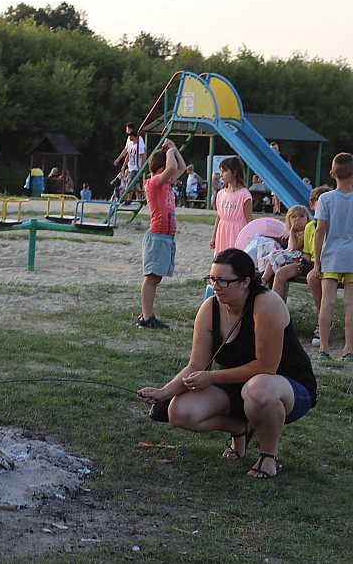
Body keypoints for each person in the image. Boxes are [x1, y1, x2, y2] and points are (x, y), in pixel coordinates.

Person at [138, 248, 316, 479]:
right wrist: (164, 392)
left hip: (288, 388)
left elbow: (266, 367)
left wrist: (211, 378)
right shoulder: (210, 308)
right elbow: (196, 366)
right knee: (179, 411)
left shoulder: (266, 304)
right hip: (240, 386)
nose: (215, 286)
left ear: (245, 282)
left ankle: (268, 455)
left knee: (259, 387)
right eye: (212, 279)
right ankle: (240, 429)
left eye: (223, 281)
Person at [138, 140, 186, 330]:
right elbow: (173, 166)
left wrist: (174, 147)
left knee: (156, 277)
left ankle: (145, 314)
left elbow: (180, 167)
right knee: (151, 277)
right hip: (157, 236)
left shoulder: (165, 182)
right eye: (166, 170)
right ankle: (147, 317)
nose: (171, 173)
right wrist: (171, 151)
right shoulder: (153, 183)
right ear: (160, 169)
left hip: (166, 237)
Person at [313, 152, 353, 361]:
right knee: (350, 305)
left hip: (332, 256)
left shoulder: (325, 199)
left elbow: (320, 231)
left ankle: (324, 349)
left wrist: (317, 261)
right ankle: (348, 349)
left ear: (331, 173)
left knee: (327, 303)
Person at [262, 205, 310, 298]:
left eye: (301, 216)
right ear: (289, 221)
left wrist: (292, 232)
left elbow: (293, 247)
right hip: (291, 258)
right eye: (294, 217)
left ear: (307, 218)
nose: (298, 219)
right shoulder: (295, 233)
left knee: (275, 257)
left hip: (300, 259)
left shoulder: (305, 232)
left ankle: (273, 299)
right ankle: (264, 279)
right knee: (271, 259)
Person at [304, 186, 332, 346]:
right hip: (316, 263)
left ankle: (324, 322)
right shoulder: (310, 226)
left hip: (332, 262)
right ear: (312, 204)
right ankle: (325, 321)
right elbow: (308, 253)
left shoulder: (333, 224)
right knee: (313, 277)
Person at [211, 156, 254, 254]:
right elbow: (219, 217)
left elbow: (249, 220)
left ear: (234, 172)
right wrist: (214, 236)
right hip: (222, 231)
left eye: (224, 171)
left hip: (237, 232)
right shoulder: (221, 193)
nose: (221, 175)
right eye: (221, 171)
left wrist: (252, 238)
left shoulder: (244, 194)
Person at [113, 123, 146, 202]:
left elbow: (143, 154)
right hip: (131, 165)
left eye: (127, 129)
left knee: (130, 184)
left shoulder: (139, 141)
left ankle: (128, 200)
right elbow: (127, 152)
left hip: (136, 166)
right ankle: (144, 198)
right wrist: (120, 161)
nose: (126, 131)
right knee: (135, 185)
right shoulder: (129, 140)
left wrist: (141, 167)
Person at [269, 142, 293, 215]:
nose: (274, 150)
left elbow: (289, 166)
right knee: (276, 194)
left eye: (275, 148)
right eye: (272, 148)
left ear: (278, 148)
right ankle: (278, 209)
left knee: (285, 193)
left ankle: (290, 208)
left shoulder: (283, 156)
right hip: (274, 177)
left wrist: (289, 175)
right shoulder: (270, 156)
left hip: (282, 177)